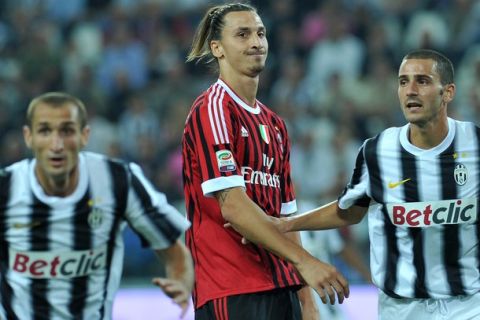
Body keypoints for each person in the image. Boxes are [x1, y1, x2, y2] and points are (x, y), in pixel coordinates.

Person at [275, 49, 480, 319]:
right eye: (403, 81)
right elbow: (349, 209)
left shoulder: (475, 144)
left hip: (467, 306)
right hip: (402, 309)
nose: (410, 90)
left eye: (423, 81)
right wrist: (287, 224)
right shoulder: (378, 150)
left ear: (448, 92)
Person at [182, 3, 348, 320]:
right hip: (232, 287)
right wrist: (305, 261)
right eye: (242, 34)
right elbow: (232, 206)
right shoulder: (214, 108)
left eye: (260, 33)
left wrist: (307, 302)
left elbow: (288, 216)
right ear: (217, 48)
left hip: (283, 288)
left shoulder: (276, 125)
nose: (256, 42)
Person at [0, 92, 194, 319]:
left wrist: (181, 282)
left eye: (67, 131)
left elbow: (174, 252)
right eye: (45, 131)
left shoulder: (119, 180)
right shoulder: (5, 188)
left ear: (84, 135)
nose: (57, 144)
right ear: (28, 137)